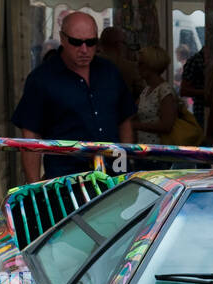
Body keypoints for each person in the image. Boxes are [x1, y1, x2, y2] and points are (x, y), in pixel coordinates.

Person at [11, 11, 135, 181]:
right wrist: (34, 186)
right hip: (68, 181)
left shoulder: (110, 72)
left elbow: (124, 121)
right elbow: (31, 136)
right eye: (76, 42)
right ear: (62, 38)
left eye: (91, 43)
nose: (84, 49)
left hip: (114, 177)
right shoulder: (42, 79)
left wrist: (125, 166)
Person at [133, 46, 177, 144]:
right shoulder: (146, 90)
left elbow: (166, 126)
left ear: (151, 65)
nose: (137, 67)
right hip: (144, 148)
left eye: (141, 64)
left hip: (158, 150)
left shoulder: (164, 90)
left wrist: (136, 125)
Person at [99, 27, 142, 98]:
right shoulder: (130, 67)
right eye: (125, 43)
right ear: (118, 44)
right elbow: (142, 94)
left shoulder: (88, 64)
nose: (126, 47)